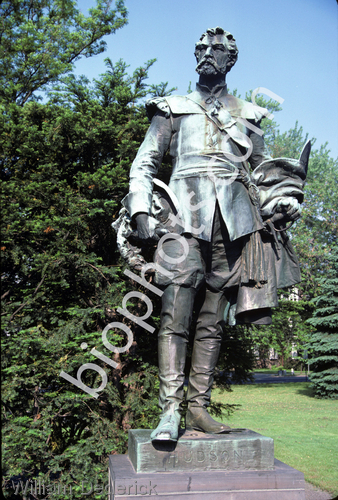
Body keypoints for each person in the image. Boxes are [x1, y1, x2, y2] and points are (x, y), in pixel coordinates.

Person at [122, 27, 308, 442]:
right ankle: (170, 410)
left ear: (230, 60)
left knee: (212, 320)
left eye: (217, 50)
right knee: (174, 313)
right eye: (201, 48)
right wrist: (139, 208)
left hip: (234, 225)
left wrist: (283, 201)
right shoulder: (172, 109)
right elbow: (144, 164)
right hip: (183, 221)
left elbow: (262, 176)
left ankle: (199, 409)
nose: (207, 54)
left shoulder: (249, 115)